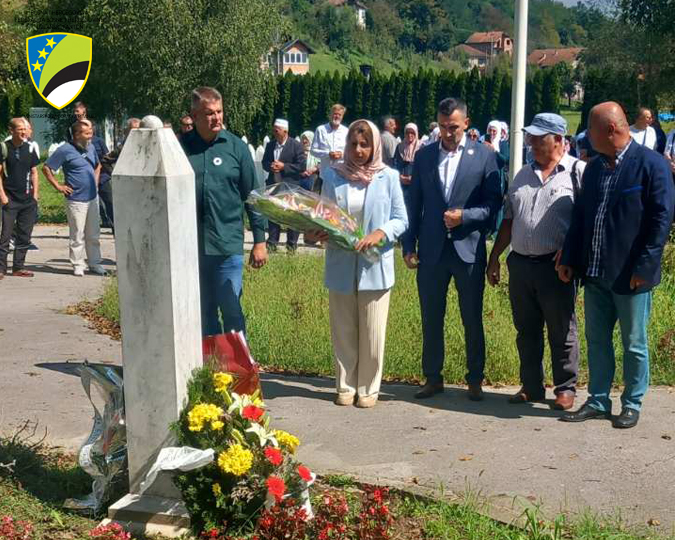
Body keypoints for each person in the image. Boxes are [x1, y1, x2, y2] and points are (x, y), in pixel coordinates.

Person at [558, 102, 675, 429]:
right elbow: (581, 217)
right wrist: (569, 258)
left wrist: (646, 266)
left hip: (631, 276)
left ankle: (632, 403)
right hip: (595, 273)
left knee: (633, 343)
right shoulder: (594, 168)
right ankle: (597, 400)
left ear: (610, 130)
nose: (586, 136)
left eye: (591, 130)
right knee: (597, 342)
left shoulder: (651, 165)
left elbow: (661, 220)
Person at [402, 97, 502, 401]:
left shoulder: (484, 157)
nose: (448, 132)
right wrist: (408, 245)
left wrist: (466, 217)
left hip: (467, 249)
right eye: (444, 126)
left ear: (466, 124)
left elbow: (493, 206)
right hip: (432, 250)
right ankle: (433, 377)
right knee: (431, 316)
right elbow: (413, 204)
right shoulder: (425, 156)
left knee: (471, 317)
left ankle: (474, 379)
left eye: (454, 127)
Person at [487, 113, 585, 411]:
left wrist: (571, 252)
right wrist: (495, 259)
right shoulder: (522, 175)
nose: (530, 142)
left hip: (556, 267)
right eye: (530, 136)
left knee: (561, 328)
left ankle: (565, 387)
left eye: (538, 137)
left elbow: (586, 220)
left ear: (559, 140)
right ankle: (531, 386)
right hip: (521, 265)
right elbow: (508, 220)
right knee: (526, 329)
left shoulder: (576, 172)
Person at [307, 120, 408, 408]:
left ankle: (368, 388)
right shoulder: (333, 176)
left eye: (365, 145)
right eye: (353, 144)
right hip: (340, 263)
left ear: (375, 146)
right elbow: (322, 215)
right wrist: (313, 232)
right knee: (343, 329)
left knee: (372, 330)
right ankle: (345, 385)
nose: (359, 150)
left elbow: (402, 219)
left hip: (375, 265)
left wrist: (380, 233)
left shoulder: (388, 177)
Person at [180, 86, 268, 336]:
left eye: (219, 111)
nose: (216, 118)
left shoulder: (236, 148)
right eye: (209, 113)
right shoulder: (180, 148)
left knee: (231, 308)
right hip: (191, 246)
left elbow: (254, 196)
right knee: (202, 310)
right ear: (194, 116)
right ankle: (210, 370)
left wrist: (260, 241)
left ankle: (239, 370)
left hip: (227, 244)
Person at [43, 120, 106, 277]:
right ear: (77, 134)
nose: (91, 135)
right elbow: (47, 168)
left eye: (91, 131)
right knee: (77, 234)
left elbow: (98, 165)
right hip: (76, 198)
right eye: (87, 132)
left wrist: (96, 181)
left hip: (92, 197)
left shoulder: (90, 147)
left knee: (94, 234)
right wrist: (58, 186)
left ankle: (95, 263)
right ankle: (78, 264)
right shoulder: (65, 150)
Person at [0, 118, 40, 278]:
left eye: (25, 129)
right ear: (12, 130)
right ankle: (1, 268)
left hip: (28, 200)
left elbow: (34, 172)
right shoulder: (4, 148)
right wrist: (3, 196)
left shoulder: (29, 149)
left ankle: (18, 267)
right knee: (6, 235)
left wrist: (35, 195)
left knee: (25, 235)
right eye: (20, 129)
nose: (24, 132)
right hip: (10, 199)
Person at [262, 118, 306, 254]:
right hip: (273, 185)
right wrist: (271, 166)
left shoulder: (296, 145)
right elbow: (264, 162)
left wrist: (283, 166)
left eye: (277, 129)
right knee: (273, 214)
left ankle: (291, 245)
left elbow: (302, 166)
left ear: (285, 131)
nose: (274, 131)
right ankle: (272, 243)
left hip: (290, 186)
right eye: (274, 129)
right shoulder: (270, 145)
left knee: (291, 215)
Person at [311, 104, 349, 194]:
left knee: (338, 203)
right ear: (330, 114)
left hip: (341, 174)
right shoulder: (321, 129)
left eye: (340, 115)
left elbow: (350, 152)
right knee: (324, 201)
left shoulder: (346, 131)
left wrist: (341, 154)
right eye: (335, 114)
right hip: (324, 174)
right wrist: (328, 154)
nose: (337, 116)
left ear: (342, 116)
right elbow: (313, 151)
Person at [393, 123, 423, 194]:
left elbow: (424, 166)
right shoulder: (399, 147)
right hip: (401, 184)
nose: (409, 135)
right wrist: (400, 177)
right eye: (407, 133)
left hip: (417, 184)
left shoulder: (421, 147)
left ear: (416, 133)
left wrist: (414, 178)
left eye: (412, 133)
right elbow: (395, 163)